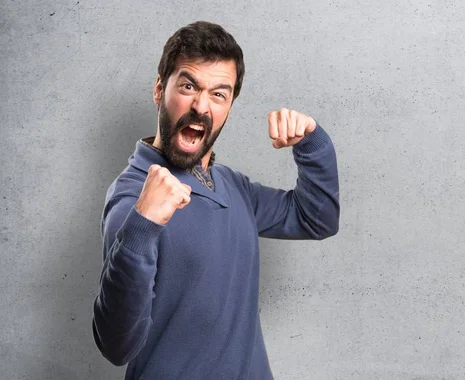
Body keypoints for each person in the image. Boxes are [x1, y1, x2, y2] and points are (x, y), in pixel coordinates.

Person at [92, 21, 339, 379]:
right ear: (160, 89)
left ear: (229, 106)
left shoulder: (230, 185)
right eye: (189, 86)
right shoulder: (134, 197)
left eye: (219, 94)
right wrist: (142, 226)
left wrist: (311, 141)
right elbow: (117, 347)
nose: (201, 106)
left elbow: (316, 219)